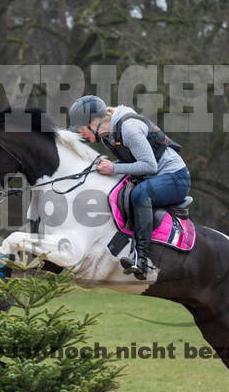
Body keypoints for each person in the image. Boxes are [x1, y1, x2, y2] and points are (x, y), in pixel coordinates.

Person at [69, 95, 191, 280]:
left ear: (93, 122)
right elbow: (130, 161)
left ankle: (141, 260)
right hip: (155, 177)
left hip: (176, 178)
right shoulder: (107, 136)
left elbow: (150, 166)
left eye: (81, 129)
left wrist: (113, 168)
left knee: (140, 194)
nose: (81, 135)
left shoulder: (129, 129)